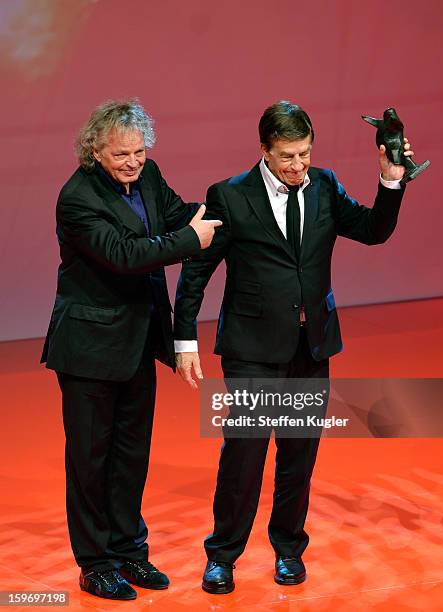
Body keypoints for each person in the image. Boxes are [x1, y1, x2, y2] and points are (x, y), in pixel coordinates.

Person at [174, 100, 413, 594]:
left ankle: (287, 548)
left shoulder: (324, 185)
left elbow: (374, 231)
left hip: (312, 344)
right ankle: (223, 555)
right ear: (264, 149)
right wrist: (184, 339)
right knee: (244, 455)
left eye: (304, 153)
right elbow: (196, 271)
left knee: (299, 453)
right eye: (287, 156)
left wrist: (392, 179)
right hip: (253, 346)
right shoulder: (231, 196)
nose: (298, 165)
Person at [41, 99, 221, 601]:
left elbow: (178, 215)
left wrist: (231, 211)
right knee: (90, 461)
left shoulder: (149, 175)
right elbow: (126, 256)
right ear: (95, 150)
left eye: (139, 152)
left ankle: (129, 552)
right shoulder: (76, 197)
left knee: (130, 457)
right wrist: (190, 239)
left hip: (139, 342)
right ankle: (95, 563)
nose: (133, 162)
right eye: (122, 154)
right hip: (90, 350)